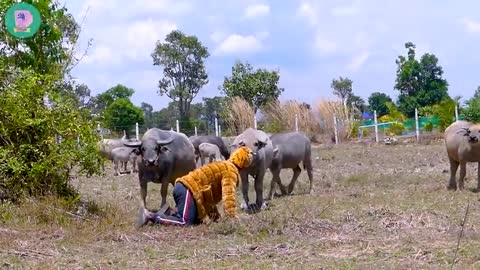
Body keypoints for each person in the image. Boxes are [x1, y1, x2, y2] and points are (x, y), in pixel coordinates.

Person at [136, 146, 255, 227]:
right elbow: (228, 196)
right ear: (245, 162)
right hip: (187, 189)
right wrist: (232, 218)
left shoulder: (224, 165)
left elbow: (209, 194)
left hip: (186, 189)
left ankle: (169, 212)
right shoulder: (231, 171)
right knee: (185, 223)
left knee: (197, 221)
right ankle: (150, 216)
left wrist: (215, 218)